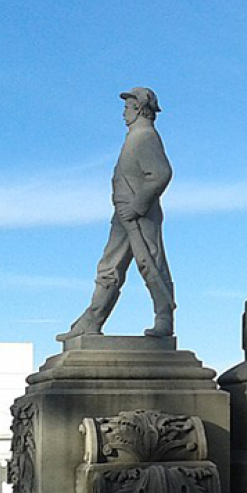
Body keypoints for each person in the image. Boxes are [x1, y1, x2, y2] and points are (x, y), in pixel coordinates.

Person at [57, 87, 176, 341]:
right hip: (123, 215)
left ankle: (164, 317)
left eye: (127, 108)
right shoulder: (134, 137)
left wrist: (138, 205)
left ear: (138, 109)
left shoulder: (145, 137)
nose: (123, 113)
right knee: (109, 267)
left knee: (150, 263)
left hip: (139, 213)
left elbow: (161, 173)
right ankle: (92, 319)